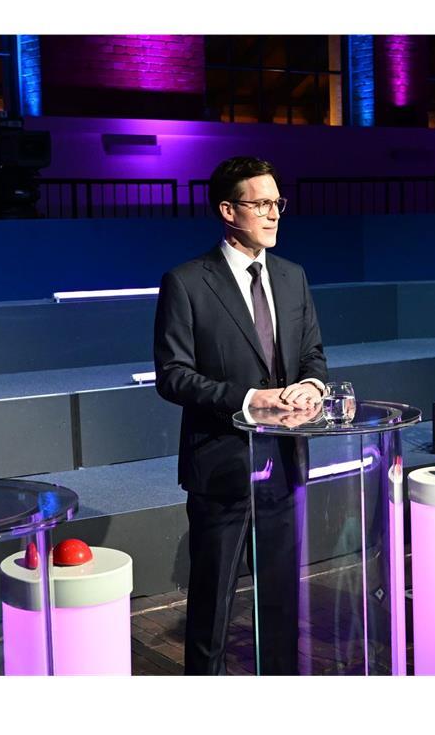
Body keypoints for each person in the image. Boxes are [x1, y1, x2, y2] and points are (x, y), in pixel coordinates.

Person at [154, 156, 328, 674]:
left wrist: (312, 387)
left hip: (284, 460)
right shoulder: (186, 282)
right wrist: (250, 400)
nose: (274, 214)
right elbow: (173, 376)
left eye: (278, 203)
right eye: (262, 204)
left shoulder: (293, 277)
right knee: (213, 606)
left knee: (280, 603)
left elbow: (313, 354)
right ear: (229, 210)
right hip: (222, 464)